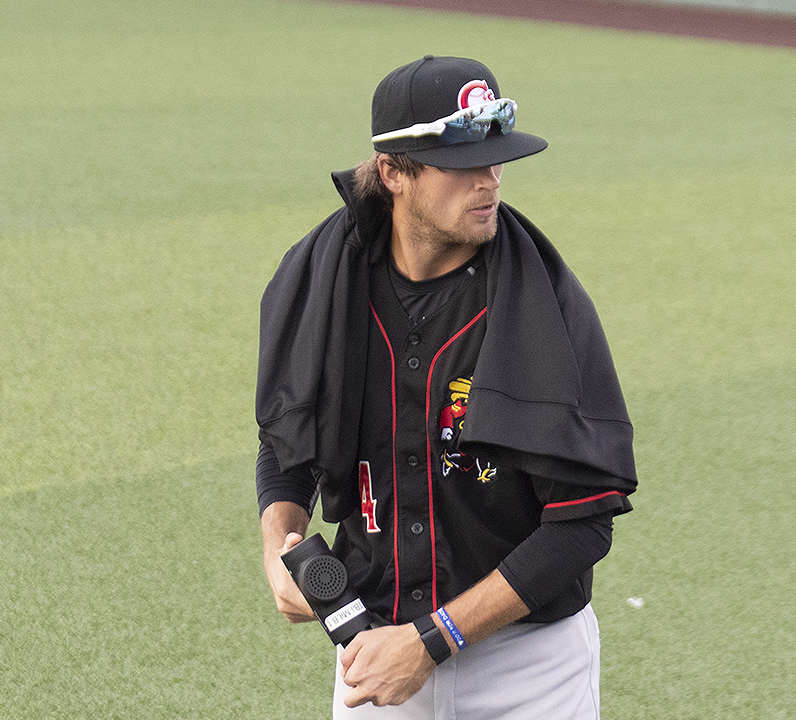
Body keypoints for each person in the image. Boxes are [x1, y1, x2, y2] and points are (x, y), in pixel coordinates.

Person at [256, 55, 638, 719]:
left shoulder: (541, 304)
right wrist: (278, 542)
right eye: (464, 163)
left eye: (496, 159)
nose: (490, 180)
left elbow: (584, 520)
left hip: (528, 668)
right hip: (371, 651)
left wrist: (436, 639)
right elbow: (288, 435)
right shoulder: (324, 278)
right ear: (393, 172)